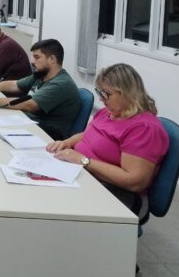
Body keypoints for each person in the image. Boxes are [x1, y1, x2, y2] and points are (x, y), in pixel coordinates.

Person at [47, 64, 168, 215]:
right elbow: (87, 135)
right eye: (99, 92)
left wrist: (84, 161)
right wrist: (66, 143)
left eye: (106, 94)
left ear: (127, 93)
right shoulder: (108, 112)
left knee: (52, 203)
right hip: (86, 175)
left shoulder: (144, 128)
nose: (101, 98)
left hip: (119, 194)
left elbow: (134, 181)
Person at [0, 39, 81, 140]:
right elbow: (14, 85)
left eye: (37, 57)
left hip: (46, 133)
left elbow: (30, 105)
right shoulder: (42, 75)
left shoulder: (60, 84)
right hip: (28, 121)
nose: (32, 61)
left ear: (52, 59)